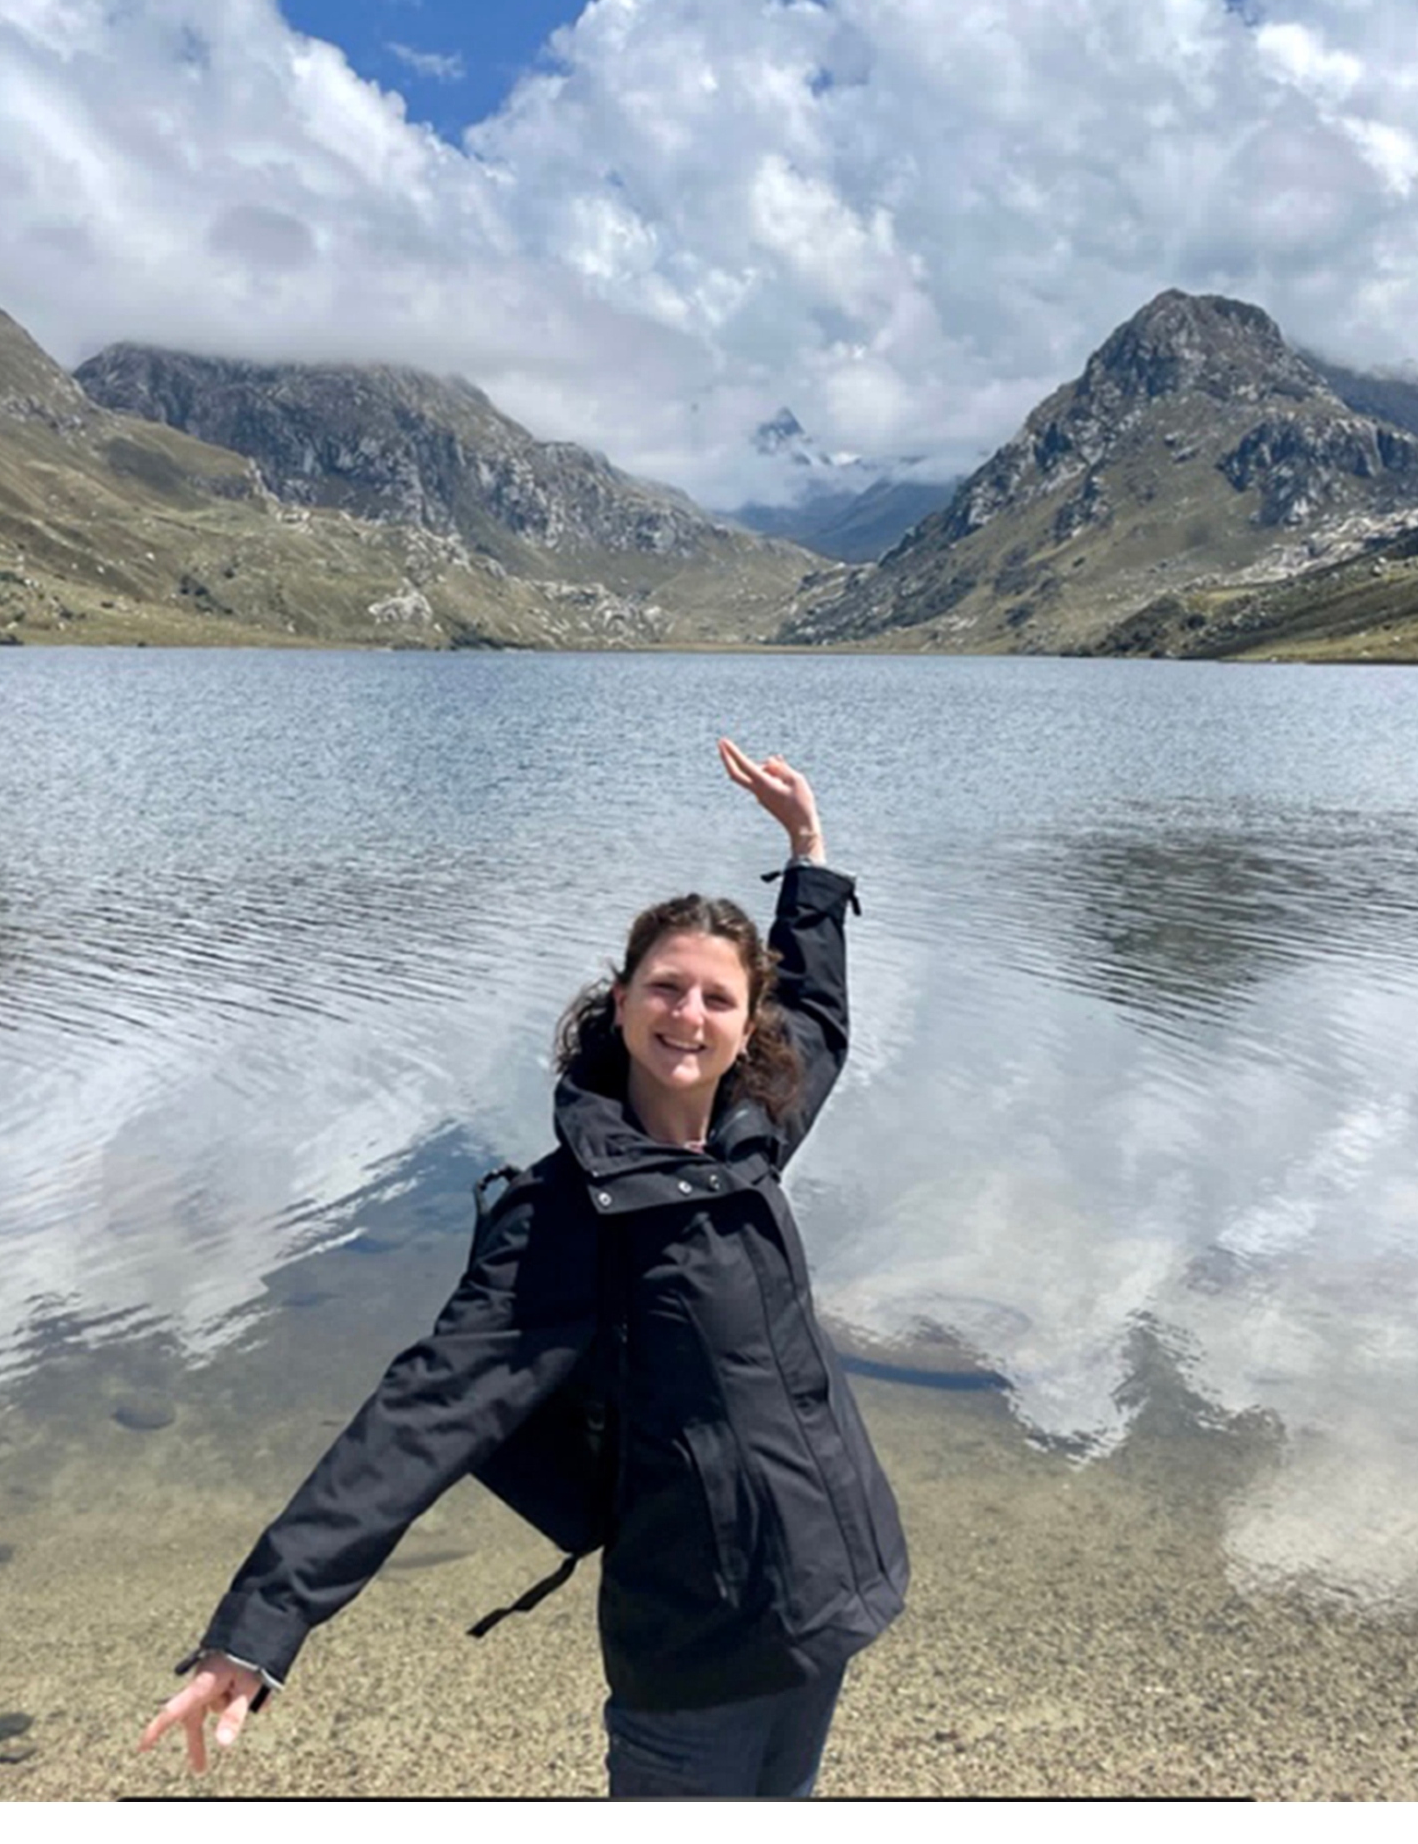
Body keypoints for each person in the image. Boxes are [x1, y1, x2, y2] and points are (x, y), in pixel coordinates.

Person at [137, 740, 906, 1797]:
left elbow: (817, 1015)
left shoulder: (751, 1132)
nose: (688, 1014)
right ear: (622, 1000)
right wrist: (260, 1626)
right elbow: (423, 1414)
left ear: (743, 1029)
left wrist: (809, 857)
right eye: (665, 988)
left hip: (829, 1601)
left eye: (716, 999)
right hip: (696, 1649)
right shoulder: (564, 1215)